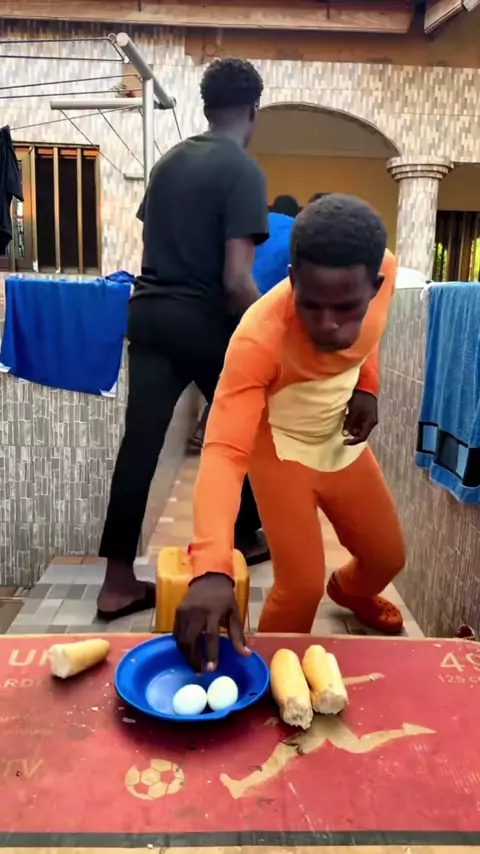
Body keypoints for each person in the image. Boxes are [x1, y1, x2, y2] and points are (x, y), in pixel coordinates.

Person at [174, 194, 406, 672]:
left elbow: (371, 336)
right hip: (279, 455)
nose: (327, 325)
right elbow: (223, 451)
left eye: (346, 308)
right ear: (293, 280)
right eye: (311, 306)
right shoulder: (257, 337)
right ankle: (268, 673)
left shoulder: (383, 269)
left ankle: (349, 592)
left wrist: (368, 385)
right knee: (299, 587)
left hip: (339, 444)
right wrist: (212, 566)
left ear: (375, 286)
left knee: (387, 559)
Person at [96, 57, 271, 621]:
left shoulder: (169, 162)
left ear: (205, 107)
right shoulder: (243, 170)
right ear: (253, 110)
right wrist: (273, 334)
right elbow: (236, 280)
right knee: (243, 426)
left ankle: (117, 584)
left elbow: (155, 247)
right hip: (202, 319)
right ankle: (243, 536)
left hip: (148, 313)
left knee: (139, 445)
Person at [186, 195, 298, 456]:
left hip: (230, 304)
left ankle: (205, 432)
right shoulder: (296, 232)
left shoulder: (256, 224)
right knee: (260, 378)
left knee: (229, 375)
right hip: (266, 313)